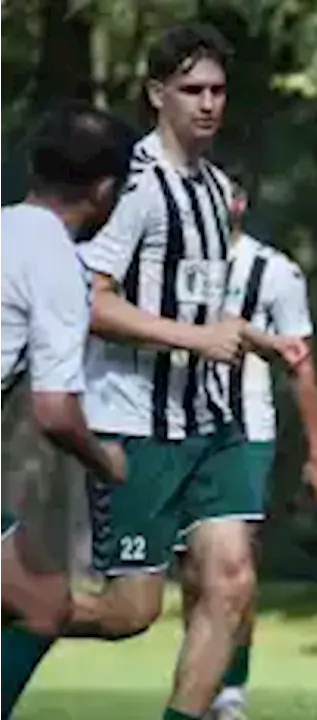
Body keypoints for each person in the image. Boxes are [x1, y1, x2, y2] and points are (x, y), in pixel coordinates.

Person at [66, 24, 306, 720]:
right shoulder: (135, 186)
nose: (207, 103)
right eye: (191, 89)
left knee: (230, 585)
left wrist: (256, 340)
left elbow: (199, 299)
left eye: (217, 90)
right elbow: (90, 301)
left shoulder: (214, 188)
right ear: (156, 95)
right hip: (133, 422)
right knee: (128, 611)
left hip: (212, 422)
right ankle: (23, 605)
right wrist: (197, 339)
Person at [172, 179, 317, 720]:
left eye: (228, 194)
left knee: (235, 566)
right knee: (193, 575)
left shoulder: (275, 272)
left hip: (244, 433)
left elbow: (300, 364)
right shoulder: (163, 258)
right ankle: (199, 683)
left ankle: (230, 693)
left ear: (241, 203)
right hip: (170, 429)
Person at [0, 101, 136, 719]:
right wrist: (103, 459)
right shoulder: (56, 261)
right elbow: (56, 411)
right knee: (42, 606)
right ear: (106, 190)